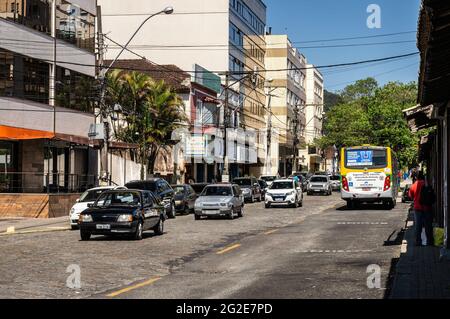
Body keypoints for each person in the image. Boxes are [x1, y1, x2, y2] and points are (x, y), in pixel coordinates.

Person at [409, 172, 434, 246]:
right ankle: (429, 241)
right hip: (427, 207)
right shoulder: (426, 183)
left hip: (417, 208)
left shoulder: (414, 185)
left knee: (418, 226)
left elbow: (410, 195)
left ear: (416, 177)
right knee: (428, 225)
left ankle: (418, 242)